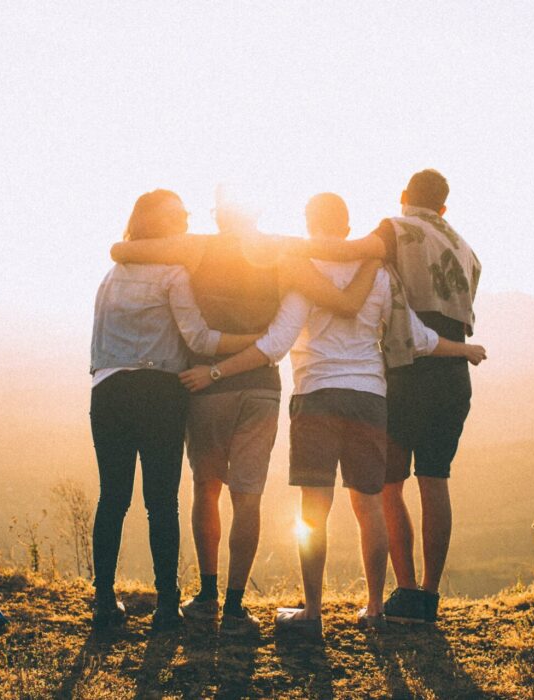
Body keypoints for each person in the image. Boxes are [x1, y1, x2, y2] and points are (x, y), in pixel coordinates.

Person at [179, 192, 486, 636]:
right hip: (369, 399)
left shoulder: (303, 271)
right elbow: (417, 338)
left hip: (317, 396)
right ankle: (376, 608)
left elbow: (276, 344)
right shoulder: (379, 274)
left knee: (313, 510)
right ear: (347, 228)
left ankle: (313, 613)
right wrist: (465, 349)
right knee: (370, 507)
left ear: (309, 223)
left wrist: (216, 371)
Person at [110, 188, 380, 636]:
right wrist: (373, 253)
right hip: (261, 386)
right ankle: (236, 608)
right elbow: (336, 284)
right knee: (247, 496)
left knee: (206, 488)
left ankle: (207, 595)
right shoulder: (280, 250)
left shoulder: (197, 247)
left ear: (219, 216)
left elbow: (124, 249)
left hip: (206, 385)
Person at [286, 170, 482, 624]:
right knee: (435, 480)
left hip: (407, 370)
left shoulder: (396, 229)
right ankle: (427, 598)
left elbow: (349, 252)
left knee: (386, 487)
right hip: (452, 372)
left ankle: (404, 592)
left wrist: (283, 247)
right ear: (444, 207)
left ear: (403, 197)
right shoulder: (467, 249)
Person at [89, 189, 261, 631]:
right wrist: (255, 341)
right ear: (157, 224)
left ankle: (104, 602)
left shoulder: (112, 275)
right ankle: (167, 606)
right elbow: (200, 340)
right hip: (159, 392)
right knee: (161, 502)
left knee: (112, 498)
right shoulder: (173, 273)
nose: (185, 220)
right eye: (177, 215)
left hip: (108, 391)